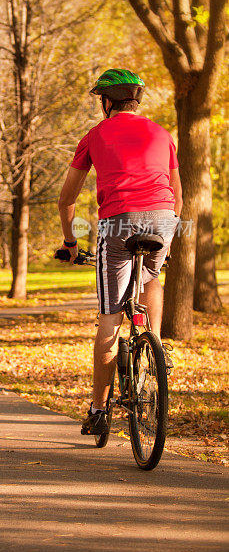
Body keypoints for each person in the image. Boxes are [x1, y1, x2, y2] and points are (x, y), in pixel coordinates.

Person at [57, 69, 182, 436]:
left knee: (110, 317)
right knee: (152, 276)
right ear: (136, 100)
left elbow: (67, 199)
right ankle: (155, 346)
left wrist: (70, 242)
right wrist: (169, 235)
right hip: (163, 218)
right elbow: (177, 192)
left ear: (106, 101)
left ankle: (98, 408)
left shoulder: (95, 135)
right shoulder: (162, 133)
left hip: (118, 222)